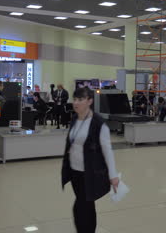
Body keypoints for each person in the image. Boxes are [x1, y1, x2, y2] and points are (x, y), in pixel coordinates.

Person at [61, 87, 119, 233]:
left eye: (80, 99)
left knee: (82, 206)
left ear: (90, 101)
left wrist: (113, 176)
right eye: (74, 99)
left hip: (89, 172)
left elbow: (107, 151)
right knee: (85, 205)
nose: (76, 103)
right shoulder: (75, 119)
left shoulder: (98, 124)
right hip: (75, 172)